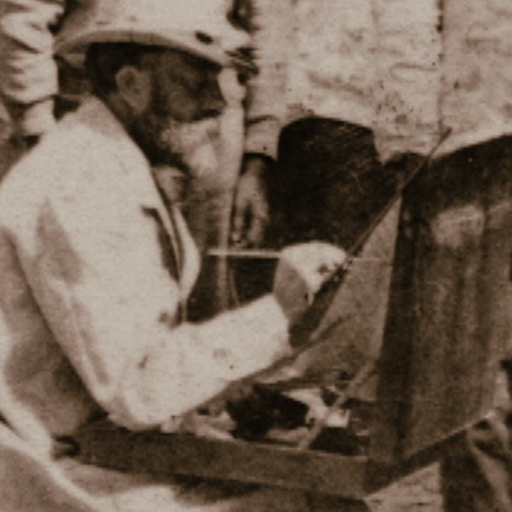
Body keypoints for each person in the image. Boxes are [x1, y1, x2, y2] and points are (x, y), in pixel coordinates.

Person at [0, 0, 368, 511]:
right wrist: (278, 313)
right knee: (310, 504)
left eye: (219, 81)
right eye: (196, 82)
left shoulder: (114, 159)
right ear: (132, 84)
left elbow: (144, 352)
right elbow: (137, 390)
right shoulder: (78, 186)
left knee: (326, 494)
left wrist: (233, 383)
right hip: (55, 469)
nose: (218, 104)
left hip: (110, 446)